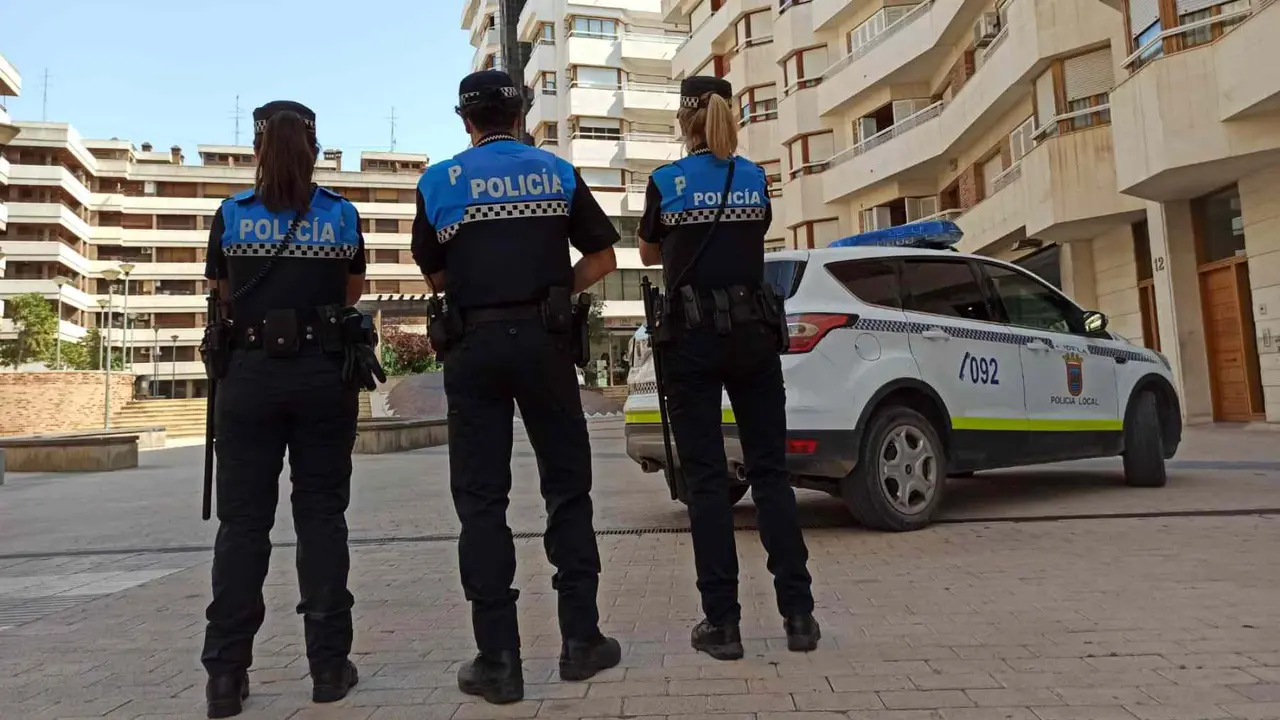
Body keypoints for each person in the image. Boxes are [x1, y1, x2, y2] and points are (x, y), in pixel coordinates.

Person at [411, 70, 622, 704]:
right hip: (544, 343)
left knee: (481, 501)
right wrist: (558, 293)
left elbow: (437, 276)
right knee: (567, 487)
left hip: (473, 347)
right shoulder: (555, 172)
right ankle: (582, 641)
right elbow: (604, 257)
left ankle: (498, 660)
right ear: (520, 112)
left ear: (465, 119)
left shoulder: (439, 180)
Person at [201, 100, 379, 718]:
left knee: (243, 526)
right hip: (323, 376)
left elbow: (222, 293)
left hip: (248, 379)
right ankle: (328, 667)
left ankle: (225, 675)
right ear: (314, 148)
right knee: (322, 519)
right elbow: (351, 291)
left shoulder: (230, 214)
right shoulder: (341, 215)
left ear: (256, 149)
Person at [638, 76, 820, 661]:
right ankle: (799, 616)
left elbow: (648, 251)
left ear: (684, 119)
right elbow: (755, 234)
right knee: (771, 476)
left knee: (708, 484)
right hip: (753, 335)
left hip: (691, 341)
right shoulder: (754, 177)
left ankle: (723, 623)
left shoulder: (666, 182)